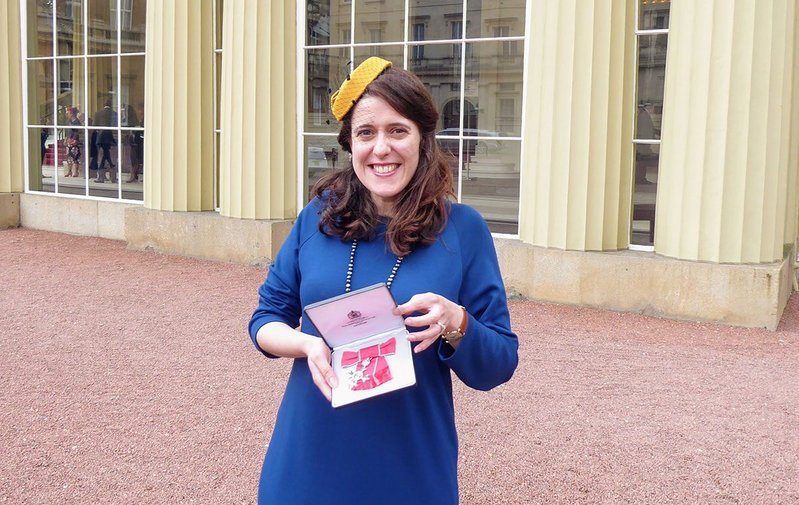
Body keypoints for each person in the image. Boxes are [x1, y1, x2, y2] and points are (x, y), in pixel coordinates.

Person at [248, 57, 518, 504]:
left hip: (409, 470)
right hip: (307, 461)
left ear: (422, 139)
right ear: (349, 144)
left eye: (398, 130)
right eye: (366, 133)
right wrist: (307, 344)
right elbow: (265, 320)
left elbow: (499, 363)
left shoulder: (463, 230)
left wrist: (457, 323)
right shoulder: (316, 219)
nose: (381, 148)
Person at [93, 98, 118, 183]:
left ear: (103, 105)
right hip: (111, 137)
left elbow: (94, 126)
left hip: (101, 138)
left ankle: (101, 177)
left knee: (101, 157)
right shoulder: (114, 114)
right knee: (113, 157)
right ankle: (113, 177)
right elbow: (116, 126)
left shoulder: (98, 113)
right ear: (111, 105)